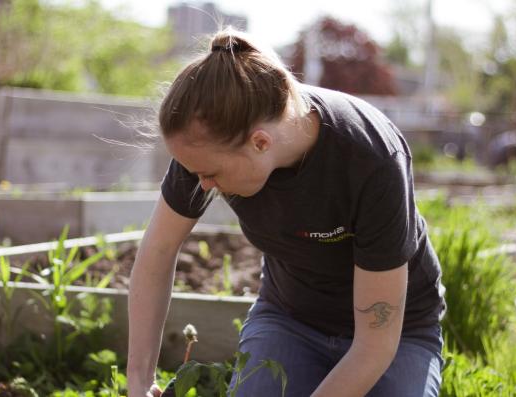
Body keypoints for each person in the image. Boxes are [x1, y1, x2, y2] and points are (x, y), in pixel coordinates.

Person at [127, 27, 446, 397]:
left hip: (397, 333)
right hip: (290, 321)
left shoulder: (371, 158)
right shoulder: (203, 147)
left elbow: (375, 344)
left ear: (260, 142)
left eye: (211, 175)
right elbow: (157, 253)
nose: (204, 185)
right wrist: (138, 381)